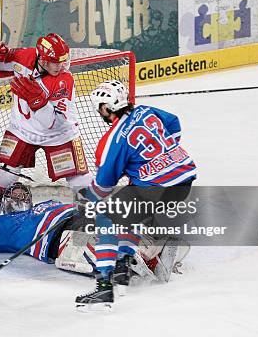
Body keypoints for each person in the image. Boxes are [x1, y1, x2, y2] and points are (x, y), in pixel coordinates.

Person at [73, 80, 197, 312]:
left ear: (105, 109)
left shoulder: (113, 140)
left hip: (156, 188)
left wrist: (87, 199)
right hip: (184, 181)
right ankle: (123, 264)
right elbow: (174, 124)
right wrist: (161, 158)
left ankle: (104, 287)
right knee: (128, 210)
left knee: (105, 217)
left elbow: (102, 188)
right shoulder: (146, 111)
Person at [0, 182, 186, 281]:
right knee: (83, 242)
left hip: (80, 216)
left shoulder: (44, 204)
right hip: (58, 238)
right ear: (5, 204)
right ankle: (133, 259)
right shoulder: (1, 226)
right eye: (13, 195)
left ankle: (148, 252)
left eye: (22, 193)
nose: (18, 196)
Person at [0, 34, 92, 226]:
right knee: (3, 175)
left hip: (59, 135)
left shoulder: (64, 79)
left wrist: (37, 102)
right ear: (43, 60)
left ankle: (94, 220)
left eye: (65, 60)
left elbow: (55, 123)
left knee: (81, 180)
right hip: (22, 130)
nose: (63, 66)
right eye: (57, 62)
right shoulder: (23, 57)